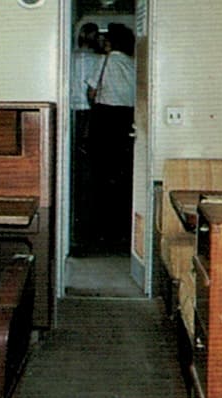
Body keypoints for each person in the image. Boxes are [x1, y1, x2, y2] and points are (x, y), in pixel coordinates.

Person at [88, 24, 136, 251]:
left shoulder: (104, 61)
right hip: (127, 118)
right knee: (122, 174)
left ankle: (100, 229)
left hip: (105, 118)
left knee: (100, 174)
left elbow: (92, 92)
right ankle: (121, 229)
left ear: (111, 43)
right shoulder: (134, 63)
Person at [68, 23, 103, 246]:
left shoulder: (68, 57)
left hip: (69, 112)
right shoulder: (98, 60)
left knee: (73, 163)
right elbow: (93, 92)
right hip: (89, 114)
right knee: (88, 164)